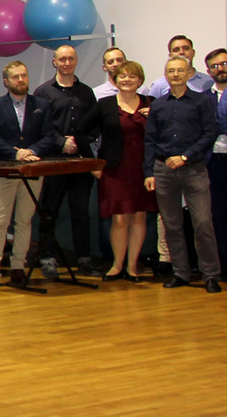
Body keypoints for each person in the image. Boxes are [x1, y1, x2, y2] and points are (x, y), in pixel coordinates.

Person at [0, 61, 60, 288]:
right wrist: (16, 153)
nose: (21, 80)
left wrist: (31, 151)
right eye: (15, 77)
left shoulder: (41, 105)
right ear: (6, 81)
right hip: (4, 170)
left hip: (32, 170)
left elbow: (49, 136)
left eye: (24, 75)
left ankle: (18, 268)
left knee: (24, 221)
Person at [144, 54, 223, 292]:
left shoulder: (202, 101)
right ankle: (181, 272)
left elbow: (210, 133)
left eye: (180, 70)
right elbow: (150, 140)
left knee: (203, 223)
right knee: (172, 225)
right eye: (171, 71)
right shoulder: (158, 105)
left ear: (188, 73)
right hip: (164, 169)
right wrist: (149, 172)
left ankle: (210, 274)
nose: (176, 74)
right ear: (166, 75)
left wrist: (186, 156)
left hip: (193, 169)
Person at [78, 60, 155, 282]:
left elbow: (163, 133)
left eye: (132, 76)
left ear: (140, 80)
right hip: (114, 169)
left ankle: (132, 267)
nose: (127, 80)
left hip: (143, 168)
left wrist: (154, 118)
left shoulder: (152, 103)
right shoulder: (105, 104)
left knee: (139, 217)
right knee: (119, 219)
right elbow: (81, 131)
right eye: (122, 76)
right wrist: (93, 163)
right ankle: (117, 265)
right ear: (115, 79)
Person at [33, 44, 99, 274]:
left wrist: (78, 141)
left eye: (71, 58)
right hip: (53, 161)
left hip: (80, 161)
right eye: (62, 59)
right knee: (49, 212)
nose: (67, 63)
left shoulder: (86, 92)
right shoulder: (43, 92)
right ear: (55, 62)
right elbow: (39, 126)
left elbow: (95, 125)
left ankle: (84, 260)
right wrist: (62, 142)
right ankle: (47, 259)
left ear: (76, 61)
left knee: (81, 213)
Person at [207, 47, 227, 279]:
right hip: (215, 163)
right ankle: (223, 265)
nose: (220, 69)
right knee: (218, 216)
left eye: (224, 63)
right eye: (215, 66)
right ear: (209, 71)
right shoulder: (205, 97)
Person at [145, 35, 213, 98]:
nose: (181, 52)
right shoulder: (159, 85)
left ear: (193, 52)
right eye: (176, 50)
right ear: (170, 55)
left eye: (186, 48)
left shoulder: (209, 81)